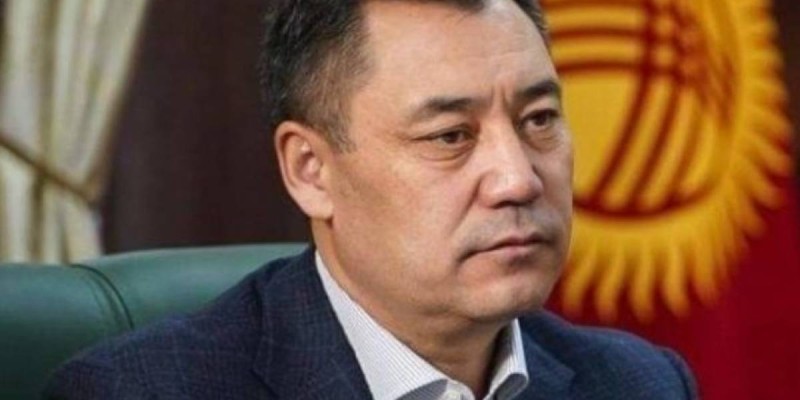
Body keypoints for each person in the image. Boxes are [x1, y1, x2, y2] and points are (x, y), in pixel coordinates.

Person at [45, 0, 698, 399]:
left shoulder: (639, 384)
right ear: (311, 171)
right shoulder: (143, 392)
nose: (518, 180)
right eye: (450, 136)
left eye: (539, 120)